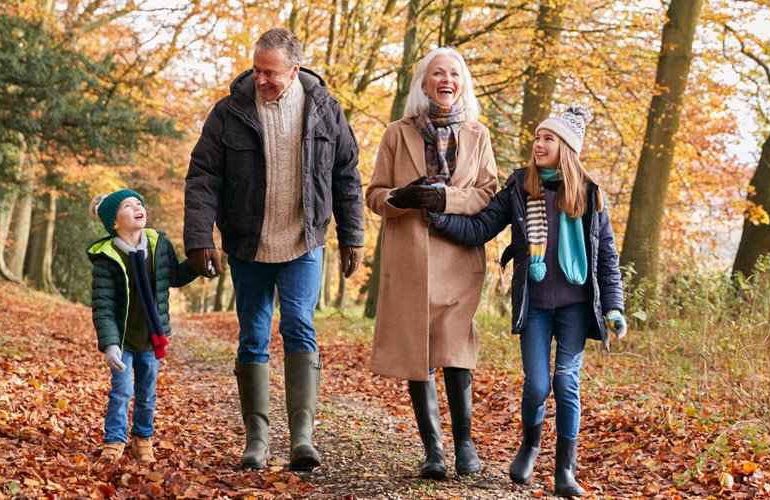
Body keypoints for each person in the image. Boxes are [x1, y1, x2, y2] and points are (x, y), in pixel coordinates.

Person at [182, 28, 365, 471]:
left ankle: (302, 439)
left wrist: (352, 235)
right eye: (256, 69)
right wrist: (199, 237)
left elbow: (346, 174)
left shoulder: (325, 110)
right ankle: (257, 441)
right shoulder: (229, 112)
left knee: (300, 326)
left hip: (303, 240)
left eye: (271, 73)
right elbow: (203, 176)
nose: (260, 79)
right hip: (249, 243)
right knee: (253, 335)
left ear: (295, 69)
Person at [433, 106, 627, 497]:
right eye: (537, 138)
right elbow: (481, 227)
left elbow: (606, 256)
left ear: (567, 148)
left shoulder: (590, 195)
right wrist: (439, 214)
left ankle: (565, 471)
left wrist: (614, 307)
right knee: (538, 384)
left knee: (566, 382)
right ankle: (531, 444)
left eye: (548, 139)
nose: (539, 145)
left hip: (575, 306)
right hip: (535, 305)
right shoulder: (521, 187)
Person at [364, 47, 499, 479]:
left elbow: (487, 195)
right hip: (409, 261)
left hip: (459, 257)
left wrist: (445, 198)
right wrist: (400, 198)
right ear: (424, 84)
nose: (446, 80)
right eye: (437, 73)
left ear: (463, 83)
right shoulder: (395, 133)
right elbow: (375, 196)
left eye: (454, 74)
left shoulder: (479, 135)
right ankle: (434, 453)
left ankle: (465, 447)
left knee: (457, 351)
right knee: (417, 351)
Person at [87, 189, 198, 463]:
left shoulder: (159, 244)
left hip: (150, 337)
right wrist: (110, 345)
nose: (138, 207)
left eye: (139, 203)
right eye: (128, 205)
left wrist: (197, 264)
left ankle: (143, 439)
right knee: (122, 391)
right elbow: (103, 306)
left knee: (147, 392)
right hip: (123, 339)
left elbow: (174, 276)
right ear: (114, 222)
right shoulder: (107, 258)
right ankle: (114, 441)